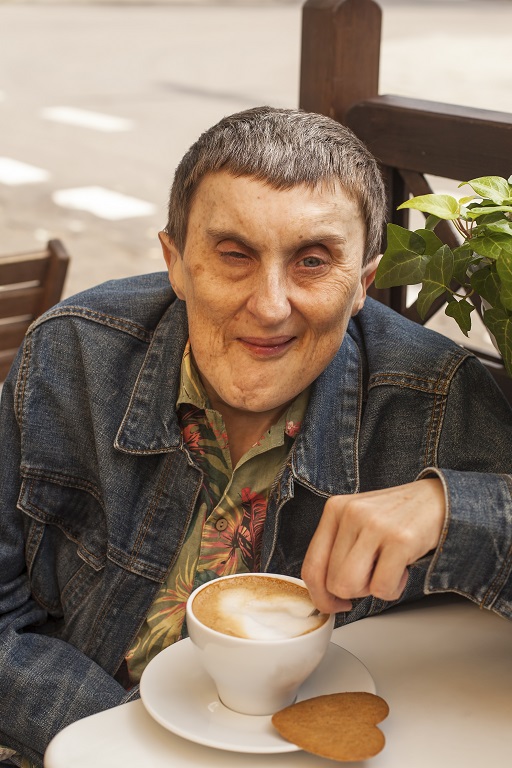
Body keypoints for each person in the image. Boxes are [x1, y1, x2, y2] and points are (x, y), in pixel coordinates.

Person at [0, 106, 511, 767]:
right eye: (234, 255)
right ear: (176, 261)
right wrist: (123, 741)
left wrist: (455, 510)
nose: (270, 306)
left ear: (361, 284)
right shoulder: (71, 354)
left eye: (313, 260)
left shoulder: (437, 398)